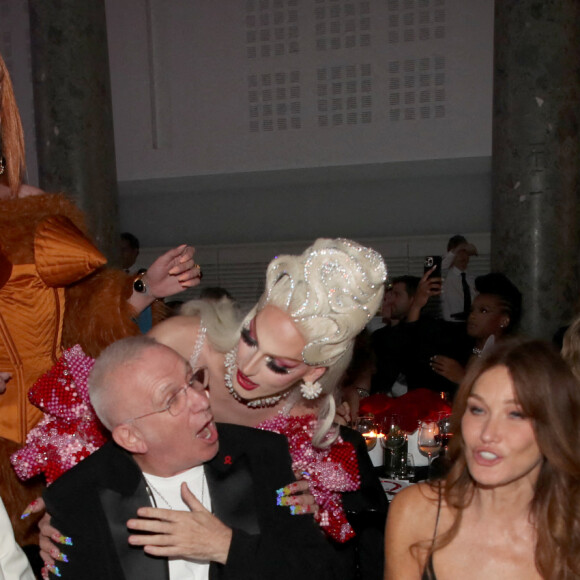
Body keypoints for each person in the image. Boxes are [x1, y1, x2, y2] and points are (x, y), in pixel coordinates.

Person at [23, 238, 388, 576]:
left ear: (313, 372)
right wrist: (68, 513)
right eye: (250, 338)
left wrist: (299, 511)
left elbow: (306, 555)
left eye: (279, 364)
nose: (248, 367)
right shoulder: (185, 340)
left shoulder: (293, 427)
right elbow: (116, 383)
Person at [0, 50, 201, 547]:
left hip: (54, 430)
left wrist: (146, 287)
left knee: (74, 550)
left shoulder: (32, 211)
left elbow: (87, 315)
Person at [41, 337, 345, 580]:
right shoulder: (79, 498)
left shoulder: (260, 456)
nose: (202, 401)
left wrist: (226, 546)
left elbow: (319, 571)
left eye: (194, 380)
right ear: (131, 437)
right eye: (172, 399)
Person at [384, 339, 580, 579]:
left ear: (554, 428)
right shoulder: (416, 512)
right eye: (477, 410)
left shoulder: (571, 535)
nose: (487, 433)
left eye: (515, 414)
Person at [429, 272, 522, 385]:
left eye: (483, 310)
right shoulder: (463, 345)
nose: (472, 316)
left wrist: (462, 379)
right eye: (472, 310)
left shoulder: (509, 359)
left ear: (504, 320)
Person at [441, 235, 478, 322]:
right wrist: (460, 247)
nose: (462, 256)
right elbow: (441, 265)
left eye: (465, 252)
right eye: (459, 252)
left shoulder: (473, 279)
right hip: (451, 326)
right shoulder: (445, 277)